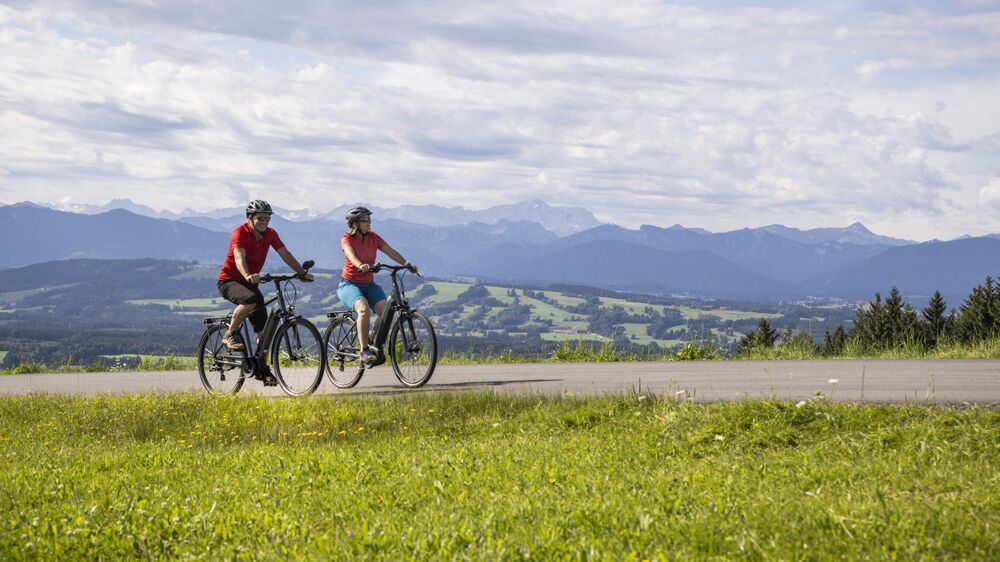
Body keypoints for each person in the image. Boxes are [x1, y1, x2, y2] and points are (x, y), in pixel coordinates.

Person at [217, 199, 314, 385]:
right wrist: (246, 274)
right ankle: (229, 333)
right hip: (229, 281)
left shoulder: (270, 234)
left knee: (264, 331)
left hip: (250, 282)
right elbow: (239, 257)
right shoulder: (240, 233)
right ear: (250, 218)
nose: (264, 221)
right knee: (250, 298)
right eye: (260, 218)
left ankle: (262, 369)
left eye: (267, 218)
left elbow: (285, 254)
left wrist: (301, 273)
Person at [338, 206, 417, 365]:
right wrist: (360, 265)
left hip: (369, 284)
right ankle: (363, 350)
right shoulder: (347, 239)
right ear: (355, 224)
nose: (368, 223)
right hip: (349, 285)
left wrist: (407, 264)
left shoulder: (373, 237)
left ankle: (372, 340)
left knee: (386, 312)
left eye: (369, 220)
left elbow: (390, 251)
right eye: (364, 221)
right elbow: (350, 254)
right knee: (363, 309)